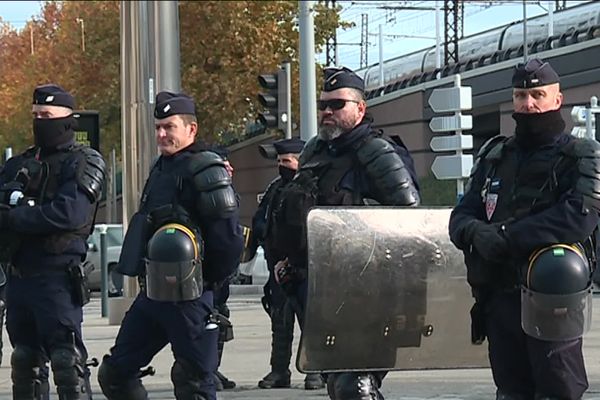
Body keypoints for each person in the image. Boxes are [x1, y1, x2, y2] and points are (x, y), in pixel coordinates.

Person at [449, 58, 600, 400]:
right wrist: (475, 232)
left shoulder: (581, 155)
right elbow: (462, 215)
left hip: (553, 298)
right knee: (511, 390)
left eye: (537, 95)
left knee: (557, 389)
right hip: (500, 297)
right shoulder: (494, 155)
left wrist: (507, 237)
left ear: (557, 100)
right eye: (520, 95)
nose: (528, 104)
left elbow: (579, 216)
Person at [273, 66, 420, 399]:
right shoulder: (314, 151)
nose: (328, 111)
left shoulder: (378, 153)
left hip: (368, 291)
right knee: (338, 387)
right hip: (318, 290)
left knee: (355, 387)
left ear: (360, 108)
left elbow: (411, 221)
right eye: (324, 104)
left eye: (337, 104)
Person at [97, 91, 244, 400]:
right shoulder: (162, 167)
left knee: (193, 384)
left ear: (191, 129)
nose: (162, 134)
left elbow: (228, 242)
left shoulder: (207, 170)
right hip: (153, 296)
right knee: (116, 374)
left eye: (169, 127)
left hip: (191, 299)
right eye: (158, 127)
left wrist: (207, 288)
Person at [0, 84, 106, 399]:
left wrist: (17, 217)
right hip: (19, 276)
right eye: (35, 115)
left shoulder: (84, 161)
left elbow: (69, 214)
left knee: (67, 362)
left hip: (58, 277)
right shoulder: (17, 164)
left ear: (67, 119)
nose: (39, 121)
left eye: (46, 115)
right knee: (24, 360)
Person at [252, 138, 325, 390]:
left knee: (310, 322)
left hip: (305, 267)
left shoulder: (311, 187)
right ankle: (278, 371)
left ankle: (315, 370)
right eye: (280, 162)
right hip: (278, 269)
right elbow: (259, 220)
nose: (282, 166)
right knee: (280, 323)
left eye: (287, 161)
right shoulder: (275, 189)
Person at [209, 145, 236, 392]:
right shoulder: (209, 191)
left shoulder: (228, 191)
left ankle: (214, 369)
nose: (229, 168)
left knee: (220, 318)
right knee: (208, 321)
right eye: (223, 164)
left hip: (223, 275)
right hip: (209, 272)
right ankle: (207, 371)